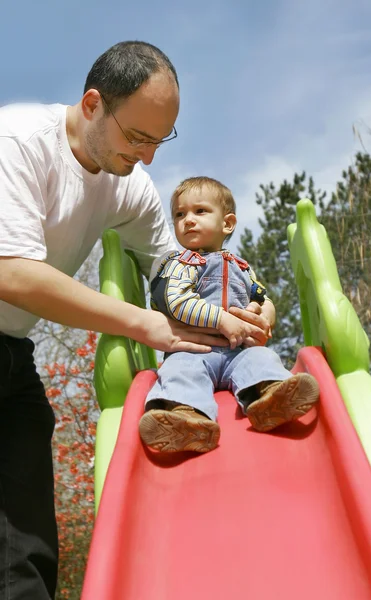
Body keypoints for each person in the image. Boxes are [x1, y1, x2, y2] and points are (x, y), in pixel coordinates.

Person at [0, 43, 269, 599]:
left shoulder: (130, 185)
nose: (148, 158)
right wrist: (141, 323)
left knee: (26, 549)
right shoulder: (19, 141)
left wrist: (241, 307)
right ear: (93, 103)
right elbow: (12, 274)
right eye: (138, 137)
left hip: (12, 350)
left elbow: (173, 267)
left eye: (160, 140)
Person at [139, 176, 320, 453]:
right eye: (179, 214)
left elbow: (261, 298)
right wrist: (221, 319)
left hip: (239, 352)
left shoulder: (241, 267)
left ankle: (271, 398)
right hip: (194, 349)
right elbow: (175, 300)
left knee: (262, 358)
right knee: (180, 371)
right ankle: (187, 419)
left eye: (200, 211)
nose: (187, 219)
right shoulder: (180, 263)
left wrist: (264, 314)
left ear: (227, 223)